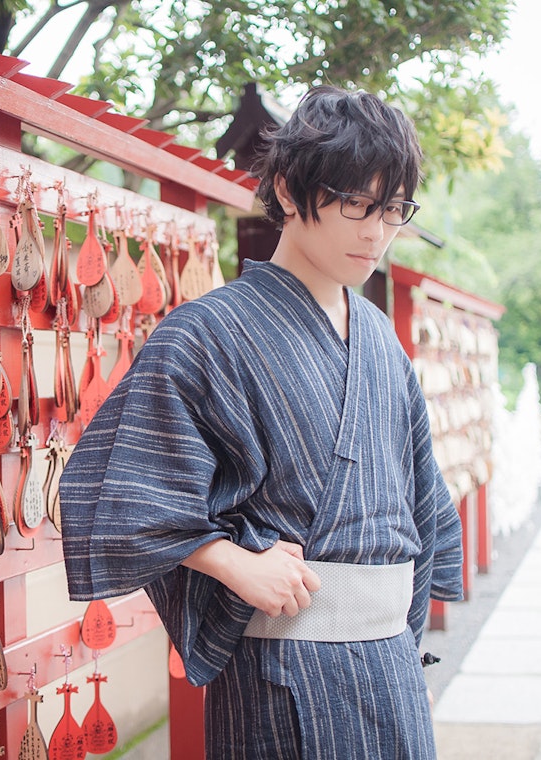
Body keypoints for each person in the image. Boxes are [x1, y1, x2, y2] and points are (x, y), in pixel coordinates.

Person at [58, 85, 464, 759]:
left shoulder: (379, 339)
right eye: (356, 205)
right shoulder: (205, 335)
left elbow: (420, 505)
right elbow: (112, 496)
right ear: (286, 187)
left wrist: (406, 648)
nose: (376, 232)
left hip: (392, 670)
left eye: (392, 210)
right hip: (281, 683)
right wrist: (232, 564)